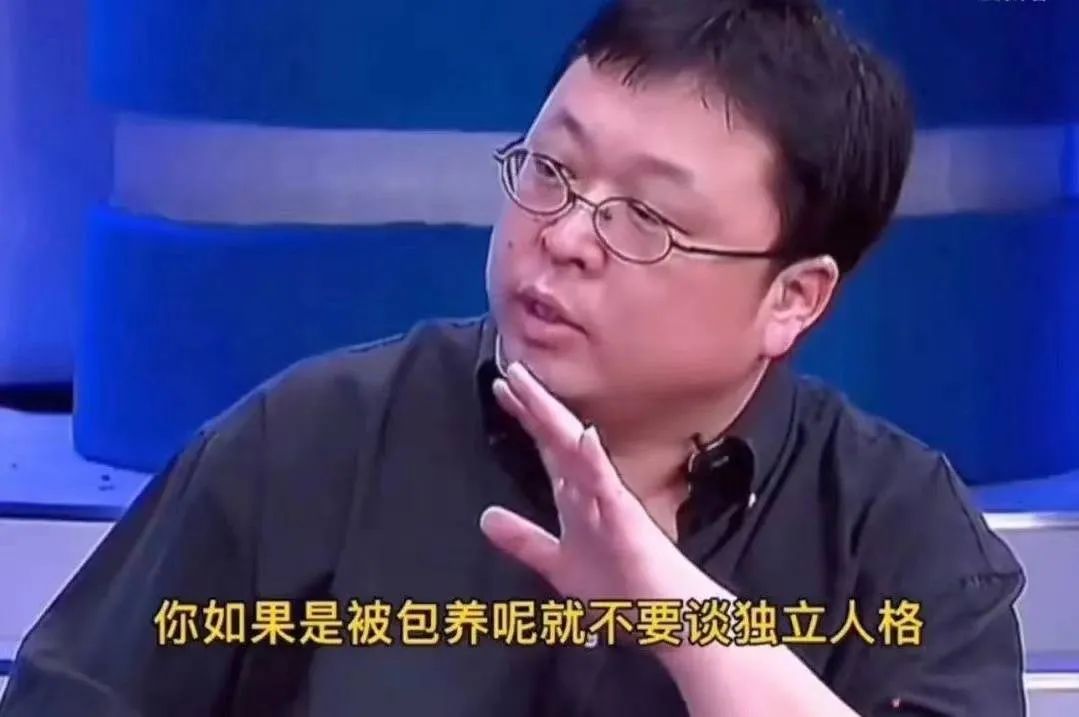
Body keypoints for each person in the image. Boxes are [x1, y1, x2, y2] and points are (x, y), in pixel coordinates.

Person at [0, 0, 1026, 715]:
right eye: (552, 170)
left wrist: (683, 621)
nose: (565, 235)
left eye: (645, 218)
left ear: (791, 298)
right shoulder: (309, 443)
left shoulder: (894, 531)